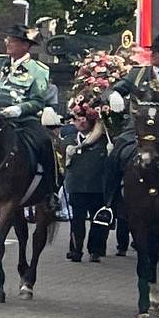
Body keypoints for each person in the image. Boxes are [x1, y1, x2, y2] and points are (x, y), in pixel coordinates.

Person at [0, 28, 60, 189]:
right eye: (8, 39)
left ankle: (51, 188)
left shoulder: (39, 70)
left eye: (12, 41)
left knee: (44, 141)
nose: (7, 43)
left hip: (23, 120)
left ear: (25, 45)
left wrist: (18, 109)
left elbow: (38, 101)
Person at [62, 107, 118, 263]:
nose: (80, 121)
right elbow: (62, 160)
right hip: (77, 185)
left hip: (97, 186)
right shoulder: (70, 138)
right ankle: (75, 250)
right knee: (77, 220)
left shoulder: (104, 140)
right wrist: (67, 154)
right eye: (77, 118)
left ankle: (96, 250)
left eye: (83, 117)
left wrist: (110, 154)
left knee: (98, 220)